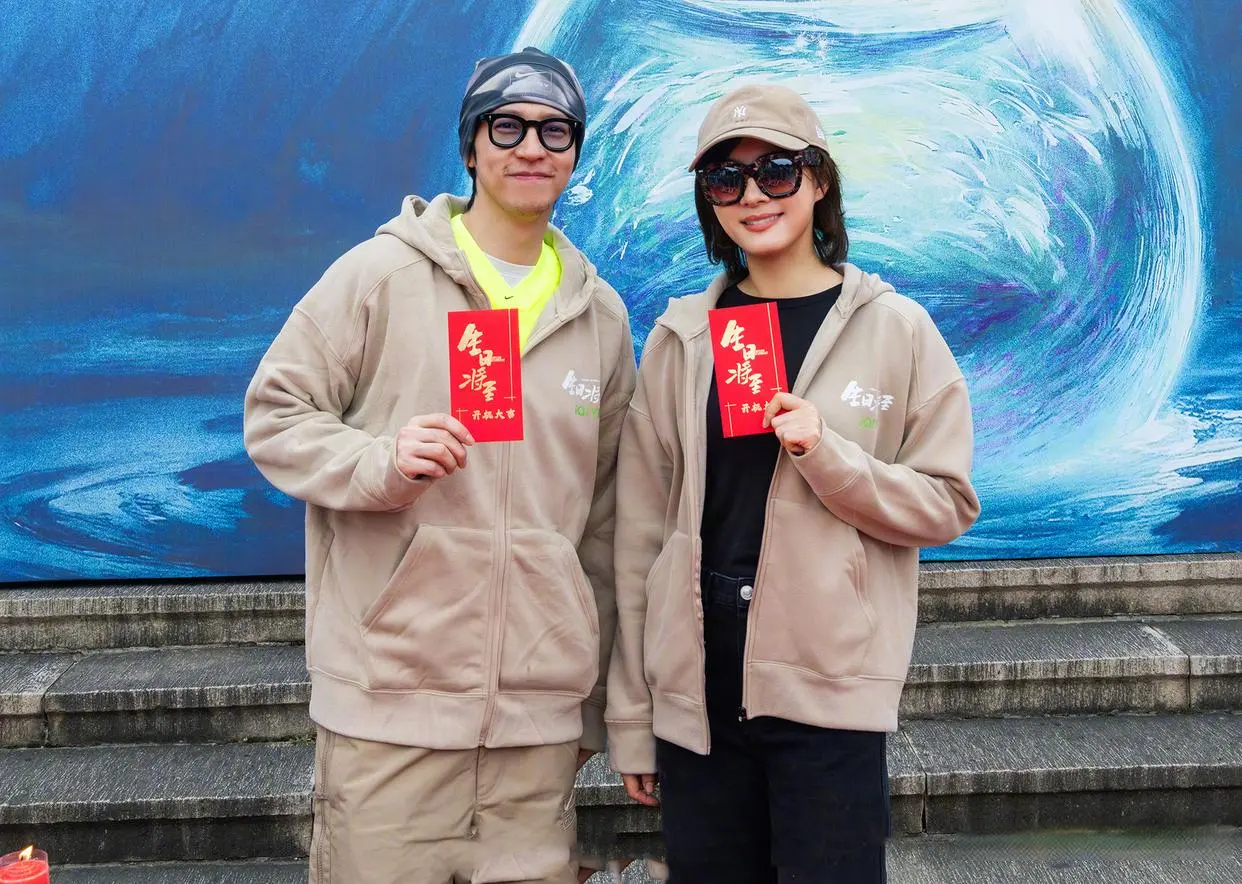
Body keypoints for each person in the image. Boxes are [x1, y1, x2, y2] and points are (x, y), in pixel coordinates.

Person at [244, 47, 636, 884]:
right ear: (470, 145)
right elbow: (276, 414)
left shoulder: (601, 318)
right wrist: (380, 461)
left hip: (536, 734)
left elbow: (606, 521)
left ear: (575, 153)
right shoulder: (379, 274)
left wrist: (594, 708)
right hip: (390, 716)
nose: (531, 147)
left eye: (555, 130)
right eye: (507, 126)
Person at [605, 84, 981, 883]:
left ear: (819, 181)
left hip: (827, 682)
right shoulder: (680, 337)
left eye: (776, 171)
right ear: (709, 201)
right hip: (701, 684)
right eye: (726, 179)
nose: (753, 195)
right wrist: (636, 716)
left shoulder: (897, 329)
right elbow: (639, 538)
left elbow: (946, 504)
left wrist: (827, 455)